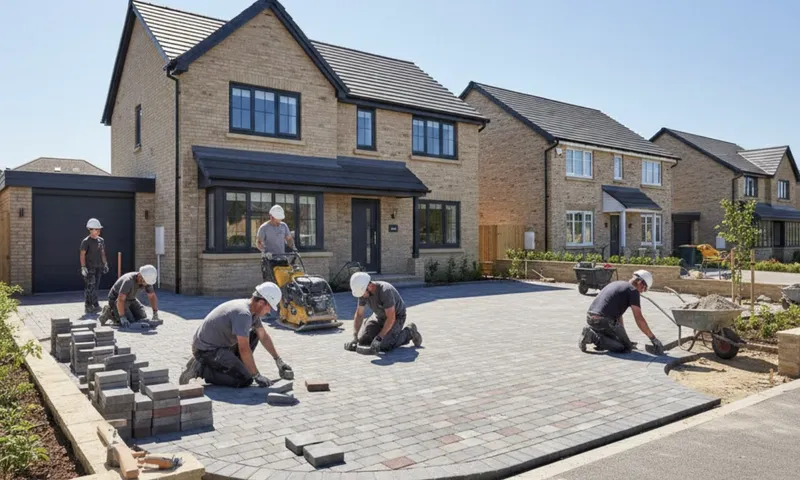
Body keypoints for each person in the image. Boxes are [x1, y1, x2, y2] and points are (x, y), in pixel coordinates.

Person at [179, 282, 294, 387]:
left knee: (255, 334)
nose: (269, 311)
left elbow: (263, 336)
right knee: (245, 379)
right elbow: (244, 349)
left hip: (221, 346)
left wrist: (278, 360)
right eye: (269, 307)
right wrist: (256, 375)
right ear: (261, 302)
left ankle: (237, 367)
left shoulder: (253, 312)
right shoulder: (243, 314)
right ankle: (201, 369)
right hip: (206, 350)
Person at [578, 270, 665, 354]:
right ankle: (593, 337)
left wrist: (623, 337)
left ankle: (594, 333)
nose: (642, 291)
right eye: (644, 289)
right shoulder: (633, 291)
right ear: (640, 283)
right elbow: (639, 318)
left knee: (620, 340)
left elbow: (618, 315)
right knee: (625, 347)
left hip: (590, 318)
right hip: (604, 321)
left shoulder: (617, 284)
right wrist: (653, 338)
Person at [345, 272, 422, 354]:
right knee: (363, 341)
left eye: (363, 293)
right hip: (379, 316)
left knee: (384, 345)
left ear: (369, 286)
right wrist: (355, 336)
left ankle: (410, 332)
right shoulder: (362, 292)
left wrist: (379, 337)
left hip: (397, 317)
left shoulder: (385, 291)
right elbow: (359, 315)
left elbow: (391, 318)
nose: (362, 296)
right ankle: (382, 332)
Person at [256, 205, 296, 283]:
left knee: (285, 282)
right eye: (277, 220)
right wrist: (264, 252)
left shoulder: (283, 226)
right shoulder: (264, 228)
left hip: (282, 259)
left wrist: (294, 248)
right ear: (271, 217)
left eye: (280, 220)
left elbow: (289, 239)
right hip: (269, 260)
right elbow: (258, 243)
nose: (279, 222)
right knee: (271, 283)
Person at [80, 218, 109, 314]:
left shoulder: (101, 240)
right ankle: (88, 305)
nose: (99, 231)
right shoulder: (86, 241)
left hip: (98, 267)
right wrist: (83, 267)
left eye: (99, 229)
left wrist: (105, 263)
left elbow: (102, 253)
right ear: (90, 229)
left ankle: (95, 304)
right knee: (90, 286)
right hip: (89, 268)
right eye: (97, 229)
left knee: (96, 286)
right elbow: (82, 254)